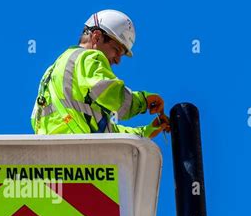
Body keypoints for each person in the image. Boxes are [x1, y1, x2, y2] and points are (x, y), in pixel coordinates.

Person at [31, 9, 170, 138]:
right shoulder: (88, 57)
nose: (117, 60)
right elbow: (112, 96)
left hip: (52, 153)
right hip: (79, 152)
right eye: (116, 50)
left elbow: (104, 130)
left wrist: (145, 132)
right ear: (97, 37)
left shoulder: (55, 70)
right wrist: (142, 101)